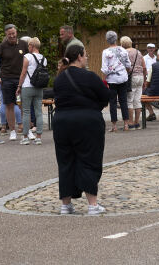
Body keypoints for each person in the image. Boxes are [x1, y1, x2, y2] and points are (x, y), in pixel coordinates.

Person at [52, 44, 110, 215]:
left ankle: (66, 204)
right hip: (87, 121)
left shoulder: (59, 79)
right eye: (85, 55)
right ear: (79, 56)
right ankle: (92, 204)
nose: (86, 58)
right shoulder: (89, 77)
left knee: (65, 161)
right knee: (89, 159)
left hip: (62, 121)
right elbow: (105, 96)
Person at [0, 24, 28, 140]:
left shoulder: (24, 44)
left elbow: (29, 59)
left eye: (13, 33)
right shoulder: (2, 46)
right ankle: (12, 130)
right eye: (9, 34)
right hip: (7, 79)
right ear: (6, 35)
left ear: (16, 32)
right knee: (9, 104)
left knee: (24, 104)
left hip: (22, 79)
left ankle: (26, 129)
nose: (12, 36)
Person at [18, 38, 47, 145]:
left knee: (26, 112)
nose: (28, 47)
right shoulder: (44, 59)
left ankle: (25, 137)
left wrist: (19, 86)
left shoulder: (27, 57)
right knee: (39, 112)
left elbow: (23, 73)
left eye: (29, 46)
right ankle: (38, 137)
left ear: (32, 46)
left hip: (27, 87)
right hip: (39, 88)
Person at [100, 31, 131, 132]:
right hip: (123, 78)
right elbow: (128, 65)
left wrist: (109, 72)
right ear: (116, 38)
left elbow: (104, 69)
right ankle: (126, 124)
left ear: (107, 40)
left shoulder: (106, 52)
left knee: (112, 102)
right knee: (123, 101)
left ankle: (114, 126)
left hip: (112, 80)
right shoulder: (123, 50)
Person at [122, 36, 146, 129]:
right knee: (137, 100)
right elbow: (144, 67)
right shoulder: (138, 52)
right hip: (140, 77)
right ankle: (137, 123)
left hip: (131, 77)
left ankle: (131, 123)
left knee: (130, 101)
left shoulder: (125, 52)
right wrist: (144, 79)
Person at [142, 44, 157, 121]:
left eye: (152, 48)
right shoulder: (144, 58)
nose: (150, 49)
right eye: (149, 48)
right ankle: (151, 112)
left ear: (154, 49)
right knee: (143, 94)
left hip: (156, 80)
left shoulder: (157, 58)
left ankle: (151, 113)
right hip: (148, 79)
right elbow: (144, 70)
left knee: (143, 94)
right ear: (147, 49)